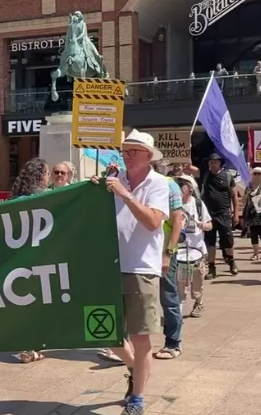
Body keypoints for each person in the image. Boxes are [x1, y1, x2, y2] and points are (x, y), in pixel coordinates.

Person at [91, 129, 169, 415]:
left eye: (134, 151)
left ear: (148, 156)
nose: (127, 155)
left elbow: (152, 223)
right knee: (102, 331)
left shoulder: (159, 184)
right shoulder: (114, 180)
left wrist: (125, 195)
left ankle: (137, 398)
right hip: (110, 266)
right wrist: (94, 188)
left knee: (140, 336)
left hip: (141, 269)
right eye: (125, 150)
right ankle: (136, 370)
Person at [12, 157, 51, 363]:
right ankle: (32, 347)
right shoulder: (46, 197)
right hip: (41, 257)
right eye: (47, 173)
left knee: (23, 305)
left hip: (19, 259)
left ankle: (25, 345)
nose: (48, 177)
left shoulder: (14, 199)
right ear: (40, 176)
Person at [152, 161, 184, 360]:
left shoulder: (169, 185)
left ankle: (172, 343)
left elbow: (177, 221)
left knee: (169, 298)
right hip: (142, 252)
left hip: (163, 253)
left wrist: (168, 253)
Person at [176, 175, 212, 318]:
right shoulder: (173, 204)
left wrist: (204, 225)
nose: (179, 187)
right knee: (180, 283)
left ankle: (198, 302)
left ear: (190, 188)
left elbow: (210, 224)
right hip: (179, 252)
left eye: (182, 184)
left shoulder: (198, 204)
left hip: (197, 251)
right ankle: (177, 311)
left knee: (197, 282)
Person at [201, 153, 239, 278]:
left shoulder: (228, 177)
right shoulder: (205, 176)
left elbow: (234, 196)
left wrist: (236, 214)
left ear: (220, 163)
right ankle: (212, 269)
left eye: (215, 162)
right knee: (210, 243)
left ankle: (231, 262)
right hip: (208, 216)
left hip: (224, 214)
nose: (212, 164)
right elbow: (189, 168)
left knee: (228, 241)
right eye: (211, 162)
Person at [244, 167, 261, 260]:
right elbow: (244, 200)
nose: (257, 176)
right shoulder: (249, 186)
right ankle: (256, 253)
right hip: (252, 213)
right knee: (253, 234)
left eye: (259, 174)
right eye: (255, 173)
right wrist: (246, 194)